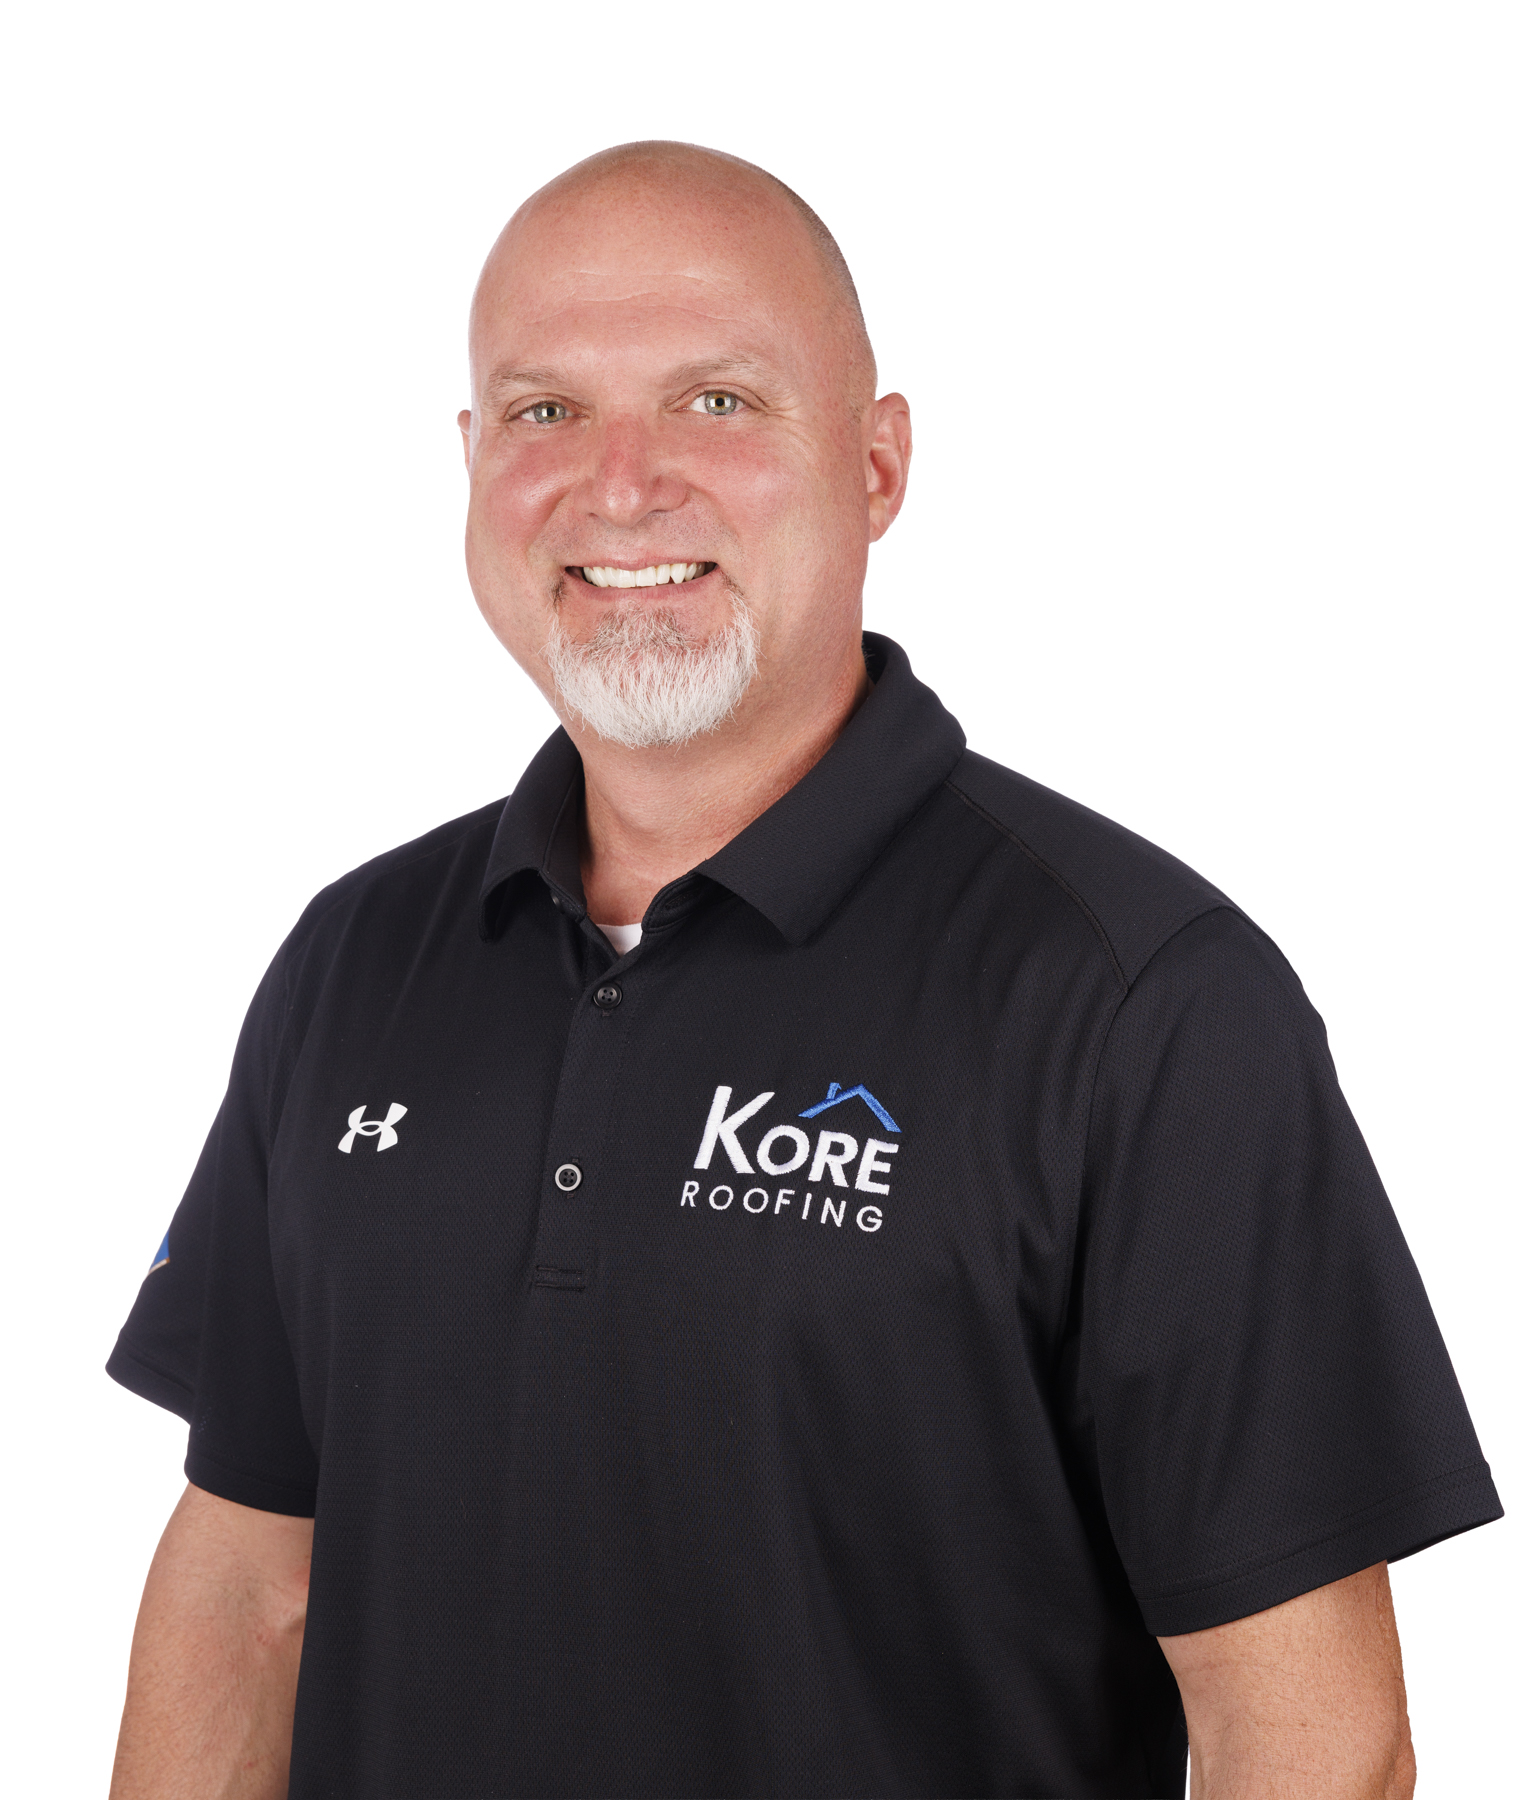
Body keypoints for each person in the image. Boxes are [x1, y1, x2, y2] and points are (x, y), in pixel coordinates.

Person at [106, 141, 1500, 1800]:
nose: (622, 486)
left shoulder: (1143, 1003)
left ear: (878, 464)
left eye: (717, 402)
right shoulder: (354, 964)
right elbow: (250, 1591)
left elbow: (1312, 1740)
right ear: (471, 461)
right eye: (547, 410)